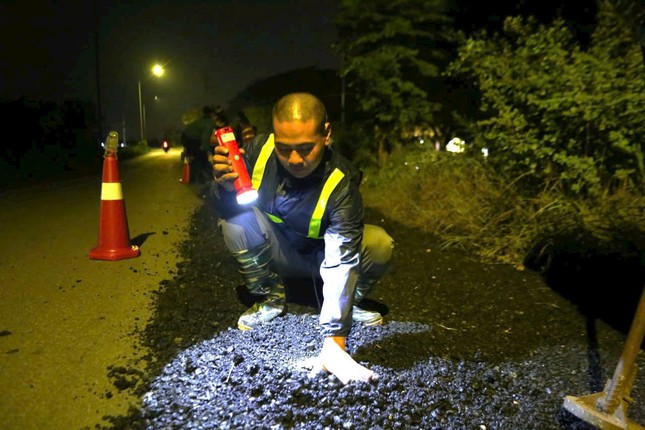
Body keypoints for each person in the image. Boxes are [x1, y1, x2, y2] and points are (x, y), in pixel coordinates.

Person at [212, 92, 394, 384]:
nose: (294, 159)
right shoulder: (255, 152)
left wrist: (335, 342)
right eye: (284, 149)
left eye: (306, 148)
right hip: (279, 253)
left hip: (324, 259)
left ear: (327, 135)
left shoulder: (341, 182)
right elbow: (227, 210)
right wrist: (222, 187)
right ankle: (271, 297)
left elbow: (343, 257)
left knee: (379, 243)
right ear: (273, 136)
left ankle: (350, 303)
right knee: (235, 224)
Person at [181, 105, 217, 184]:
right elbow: (205, 137)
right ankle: (201, 180)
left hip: (187, 138)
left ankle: (194, 178)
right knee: (201, 157)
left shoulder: (203, 120)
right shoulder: (209, 122)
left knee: (197, 157)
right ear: (212, 115)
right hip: (190, 139)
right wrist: (208, 152)